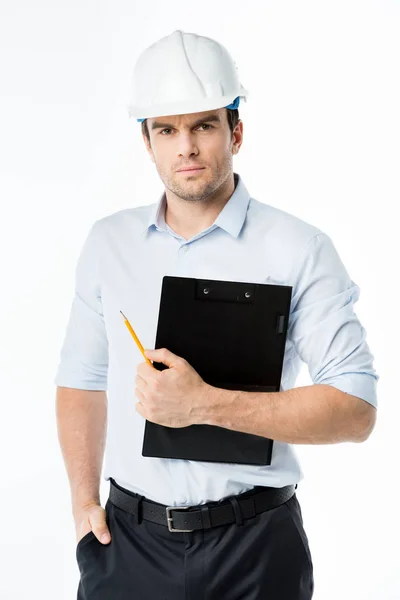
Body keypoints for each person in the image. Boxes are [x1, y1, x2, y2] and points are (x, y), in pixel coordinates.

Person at [54, 29, 379, 600]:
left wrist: (202, 404)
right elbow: (81, 382)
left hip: (257, 549)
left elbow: (355, 409)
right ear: (147, 142)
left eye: (203, 125)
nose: (186, 147)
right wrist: (85, 505)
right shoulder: (108, 245)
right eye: (167, 130)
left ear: (236, 131)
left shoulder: (299, 249)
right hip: (128, 548)